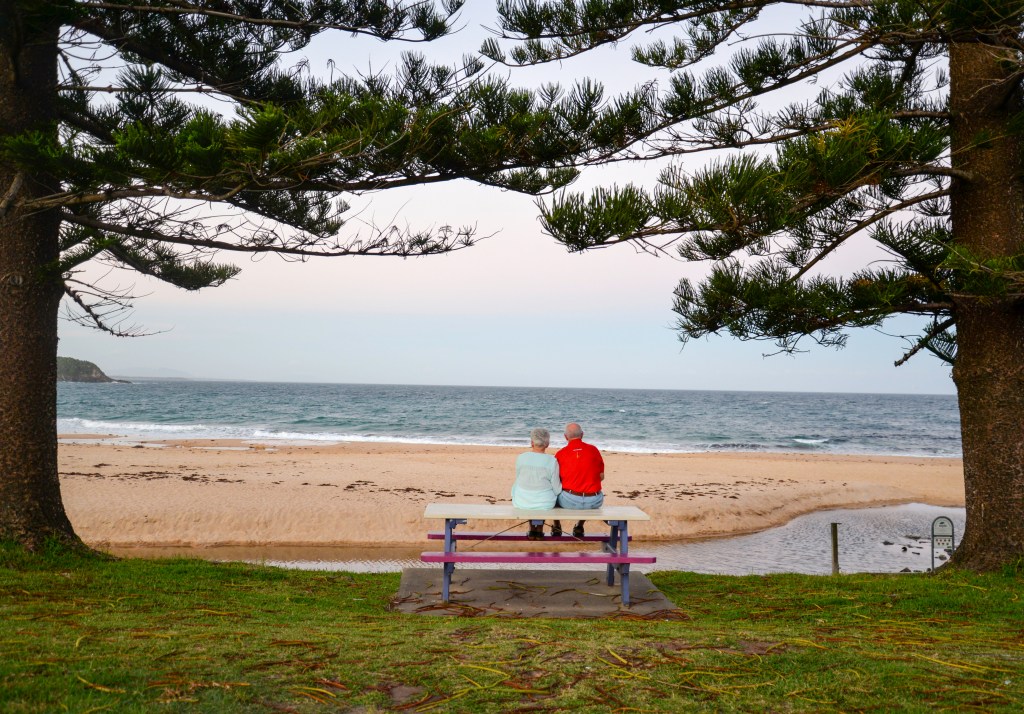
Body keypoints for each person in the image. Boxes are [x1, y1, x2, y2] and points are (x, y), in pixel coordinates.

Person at [552, 422, 605, 538]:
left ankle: (556, 525)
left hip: (569, 500)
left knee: (553, 493)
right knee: (593, 490)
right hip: (594, 501)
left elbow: (556, 480)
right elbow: (601, 477)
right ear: (582, 435)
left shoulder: (561, 454)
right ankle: (580, 525)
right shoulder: (594, 450)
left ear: (565, 437)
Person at [511, 428, 561, 540]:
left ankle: (532, 529)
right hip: (544, 503)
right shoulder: (552, 461)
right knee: (545, 497)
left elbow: (519, 478)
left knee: (530, 493)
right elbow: (556, 488)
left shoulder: (521, 457)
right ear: (547, 444)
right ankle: (539, 529)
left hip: (521, 502)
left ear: (532, 443)